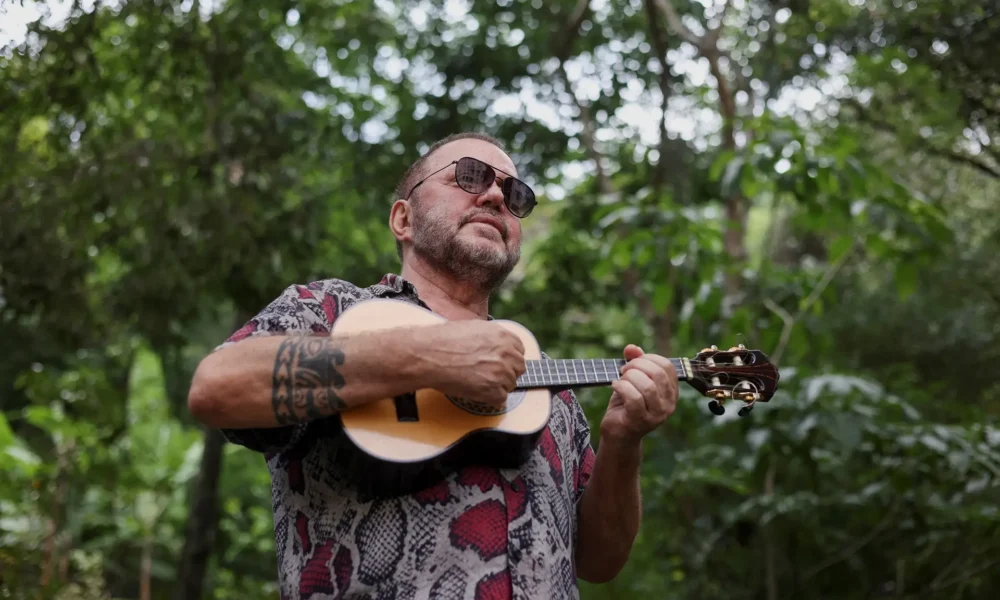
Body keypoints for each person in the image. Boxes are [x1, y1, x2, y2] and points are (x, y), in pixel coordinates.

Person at [187, 132, 679, 600]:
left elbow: (598, 561)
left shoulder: (552, 386)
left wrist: (623, 441)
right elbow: (218, 387)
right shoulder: (331, 311)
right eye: (469, 176)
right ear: (403, 218)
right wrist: (429, 356)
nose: (494, 197)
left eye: (515, 194)